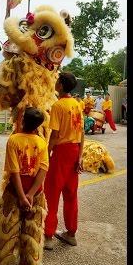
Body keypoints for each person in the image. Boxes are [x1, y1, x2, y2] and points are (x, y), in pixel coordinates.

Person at [0, 107, 49, 265]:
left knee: (5, 230)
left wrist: (21, 196)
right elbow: (43, 170)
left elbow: (14, 171)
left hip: (14, 192)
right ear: (38, 126)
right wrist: (31, 194)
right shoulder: (42, 143)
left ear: (22, 121)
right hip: (36, 193)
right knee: (32, 232)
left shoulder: (13, 140)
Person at [44, 72, 85, 250]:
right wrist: (81, 155)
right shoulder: (77, 104)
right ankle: (71, 233)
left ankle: (48, 236)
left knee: (51, 193)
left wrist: (46, 153)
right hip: (75, 151)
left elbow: (54, 134)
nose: (55, 83)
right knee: (71, 194)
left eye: (57, 81)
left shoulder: (58, 105)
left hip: (61, 152)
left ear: (60, 86)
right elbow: (81, 132)